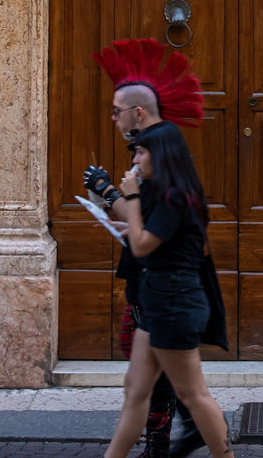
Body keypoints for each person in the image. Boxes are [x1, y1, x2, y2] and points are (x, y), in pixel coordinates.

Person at [85, 79, 205, 458]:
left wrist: (110, 194)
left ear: (138, 112)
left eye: (117, 110)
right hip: (150, 280)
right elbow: (145, 223)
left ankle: (179, 433)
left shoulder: (158, 151)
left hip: (162, 286)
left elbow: (149, 225)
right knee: (148, 380)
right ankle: (175, 433)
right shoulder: (152, 150)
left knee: (179, 384)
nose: (113, 118)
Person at [100, 120, 233, 458]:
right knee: (136, 391)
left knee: (194, 395)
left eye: (140, 153)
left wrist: (129, 198)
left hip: (175, 302)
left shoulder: (176, 196)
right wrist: (128, 224)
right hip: (159, 299)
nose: (135, 161)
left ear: (161, 155)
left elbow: (144, 247)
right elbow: (155, 239)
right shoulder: (165, 193)